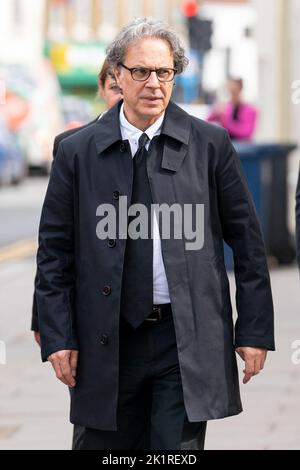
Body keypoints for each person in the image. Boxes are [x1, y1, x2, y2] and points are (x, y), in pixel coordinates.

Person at [36, 18, 275, 450]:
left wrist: (254, 328)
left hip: (183, 340)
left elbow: (248, 242)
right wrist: (56, 335)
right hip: (105, 339)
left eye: (164, 72)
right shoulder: (77, 152)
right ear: (117, 76)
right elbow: (55, 252)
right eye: (141, 72)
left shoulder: (210, 144)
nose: (153, 83)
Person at [31, 59, 122, 449]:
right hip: (90, 307)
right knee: (94, 425)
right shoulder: (73, 146)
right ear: (103, 87)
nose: (124, 93)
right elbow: (56, 240)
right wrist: (48, 322)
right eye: (115, 85)